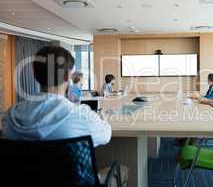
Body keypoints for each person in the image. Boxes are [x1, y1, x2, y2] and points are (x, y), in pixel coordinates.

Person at [1, 46, 128, 186]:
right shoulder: (82, 115)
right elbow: (106, 135)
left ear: (35, 74)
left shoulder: (10, 116)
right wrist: (103, 120)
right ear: (68, 76)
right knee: (123, 170)